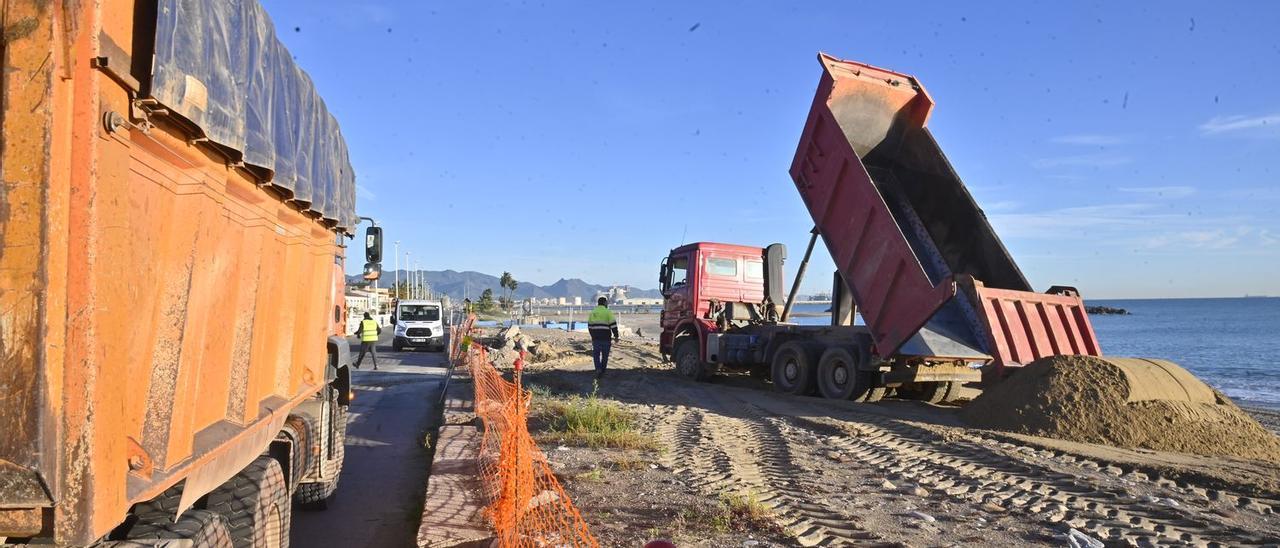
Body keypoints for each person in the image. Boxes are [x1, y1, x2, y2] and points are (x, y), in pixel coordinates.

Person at [587, 297, 620, 379]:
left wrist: (593, 336)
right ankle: (603, 370)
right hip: (606, 338)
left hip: (596, 338)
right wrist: (616, 336)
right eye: (607, 303)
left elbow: (589, 326)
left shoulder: (593, 312)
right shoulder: (608, 312)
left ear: (598, 303)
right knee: (605, 355)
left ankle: (598, 369)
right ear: (605, 303)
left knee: (596, 355)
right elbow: (613, 325)